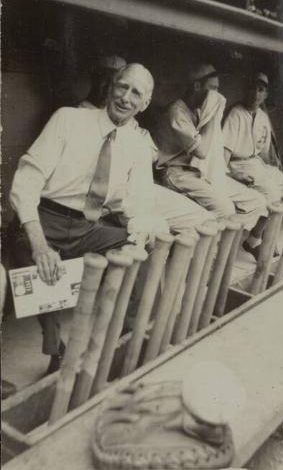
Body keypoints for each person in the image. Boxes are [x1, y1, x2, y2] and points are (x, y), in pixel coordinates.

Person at [9, 63, 167, 373]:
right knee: (32, 258)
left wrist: (141, 232)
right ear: (111, 86)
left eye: (136, 93)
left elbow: (139, 202)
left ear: (144, 104)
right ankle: (57, 353)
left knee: (142, 252)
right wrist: (40, 244)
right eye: (122, 86)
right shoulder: (68, 119)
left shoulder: (136, 144)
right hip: (47, 218)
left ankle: (130, 340)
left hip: (88, 228)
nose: (125, 97)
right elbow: (26, 181)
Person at [79, 55, 215, 234]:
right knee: (157, 230)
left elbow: (152, 152)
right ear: (94, 79)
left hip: (140, 188)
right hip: (111, 194)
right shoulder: (80, 113)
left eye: (114, 81)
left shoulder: (125, 118)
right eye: (103, 79)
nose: (106, 87)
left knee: (204, 220)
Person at [155, 63, 268, 243]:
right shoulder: (176, 112)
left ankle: (241, 244)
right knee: (225, 209)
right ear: (197, 86)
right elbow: (201, 151)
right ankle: (205, 254)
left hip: (199, 171)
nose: (217, 95)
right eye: (213, 89)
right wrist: (214, 115)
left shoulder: (200, 110)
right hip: (175, 173)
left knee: (256, 200)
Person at [223, 72, 283, 210]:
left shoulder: (263, 117)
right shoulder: (235, 113)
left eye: (260, 90)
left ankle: (271, 228)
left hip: (257, 164)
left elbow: (264, 154)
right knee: (272, 194)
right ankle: (260, 231)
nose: (255, 94)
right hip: (237, 164)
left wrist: (272, 171)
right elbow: (224, 156)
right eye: (252, 88)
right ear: (245, 90)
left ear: (266, 95)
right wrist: (232, 174)